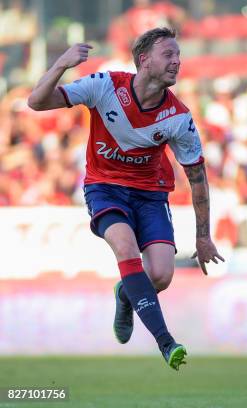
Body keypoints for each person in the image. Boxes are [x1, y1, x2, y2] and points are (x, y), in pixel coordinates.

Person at [27, 27, 225, 370]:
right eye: (169, 55)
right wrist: (61, 63)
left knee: (161, 275)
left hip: (150, 194)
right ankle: (167, 343)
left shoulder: (179, 117)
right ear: (144, 60)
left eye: (179, 56)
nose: (177, 62)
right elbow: (37, 102)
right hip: (105, 186)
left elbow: (197, 178)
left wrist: (203, 235)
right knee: (125, 248)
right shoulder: (105, 86)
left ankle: (125, 293)